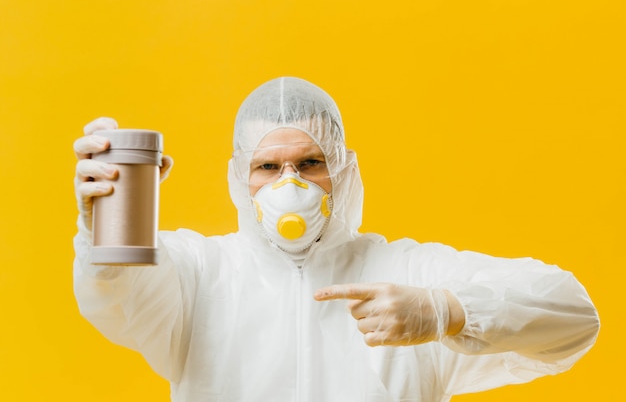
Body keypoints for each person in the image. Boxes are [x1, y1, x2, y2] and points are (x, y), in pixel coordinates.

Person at [73, 77, 600, 402]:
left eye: (310, 163)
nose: (290, 184)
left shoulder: (408, 275)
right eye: (267, 166)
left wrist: (447, 310)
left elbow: (574, 316)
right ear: (240, 177)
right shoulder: (200, 273)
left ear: (342, 172)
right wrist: (102, 220)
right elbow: (118, 290)